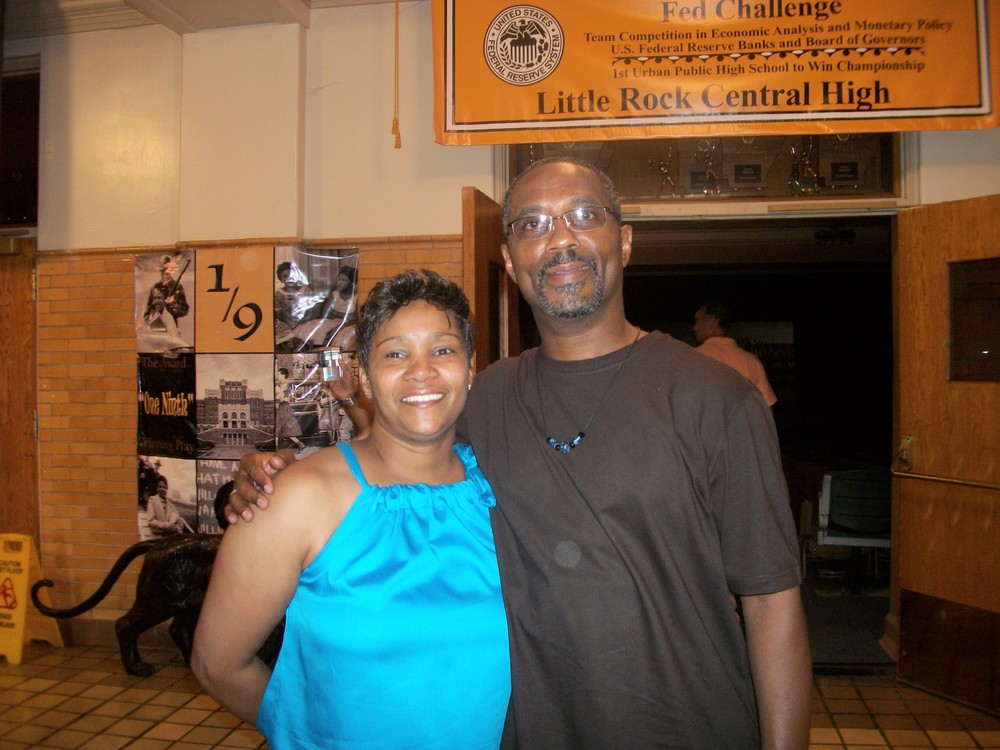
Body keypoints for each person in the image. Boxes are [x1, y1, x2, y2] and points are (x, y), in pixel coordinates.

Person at [229, 158, 811, 748]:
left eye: (583, 215)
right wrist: (273, 479)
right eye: (532, 224)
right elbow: (387, 461)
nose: (560, 239)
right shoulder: (482, 400)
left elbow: (772, 604)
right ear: (510, 260)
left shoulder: (717, 399)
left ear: (625, 241)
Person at [192, 270, 511, 749]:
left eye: (443, 350)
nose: (421, 370)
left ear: (470, 368)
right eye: (395, 354)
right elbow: (217, 663)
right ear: (362, 374)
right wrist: (309, 735)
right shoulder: (299, 496)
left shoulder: (501, 490)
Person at [693, 298, 778, 406]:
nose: (694, 328)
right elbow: (766, 407)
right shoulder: (751, 361)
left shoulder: (692, 358)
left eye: (697, 321)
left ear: (712, 322)